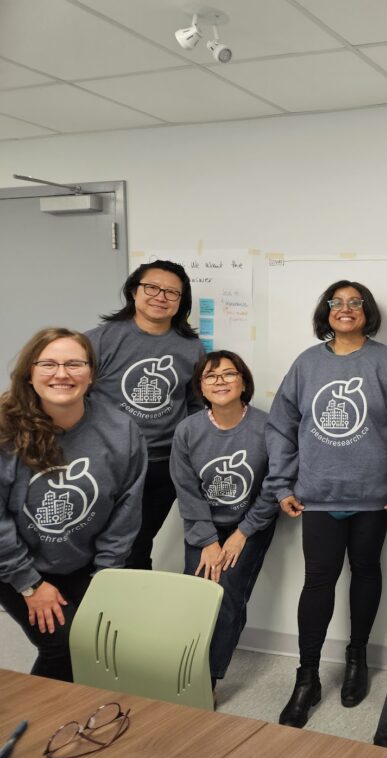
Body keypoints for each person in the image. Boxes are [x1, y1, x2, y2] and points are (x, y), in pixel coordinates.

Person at [267, 280, 387, 728]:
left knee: (366, 573)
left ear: (367, 311)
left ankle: (357, 659)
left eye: (355, 303)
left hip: (375, 495)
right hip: (318, 494)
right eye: (337, 302)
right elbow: (281, 426)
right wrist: (282, 484)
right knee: (318, 581)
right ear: (325, 311)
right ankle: (306, 677)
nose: (345, 309)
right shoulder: (307, 363)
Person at [0, 328, 145, 681]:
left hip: (82, 562)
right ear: (29, 374)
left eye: (74, 364)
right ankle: (29, 728)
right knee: (63, 646)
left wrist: (105, 577)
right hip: (14, 563)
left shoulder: (121, 431)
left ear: (91, 373)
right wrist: (30, 584)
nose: (62, 374)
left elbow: (125, 513)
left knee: (101, 643)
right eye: (48, 364)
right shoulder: (5, 428)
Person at [86, 260, 204, 570]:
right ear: (134, 292)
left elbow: (194, 404)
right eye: (152, 287)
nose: (160, 297)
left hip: (162, 465)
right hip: (109, 462)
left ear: (182, 302)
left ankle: (135, 614)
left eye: (172, 292)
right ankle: (97, 613)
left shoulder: (191, 347)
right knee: (101, 545)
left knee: (139, 546)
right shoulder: (99, 340)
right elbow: (73, 394)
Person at [170, 350, 279, 687]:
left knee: (227, 591)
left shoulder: (267, 427)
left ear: (243, 381)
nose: (220, 381)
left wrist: (242, 532)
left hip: (250, 523)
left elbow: (276, 483)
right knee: (197, 591)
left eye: (229, 374)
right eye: (210, 376)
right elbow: (187, 490)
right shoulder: (188, 430)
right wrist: (207, 541)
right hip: (204, 525)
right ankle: (184, 669)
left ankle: (207, 680)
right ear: (200, 388)